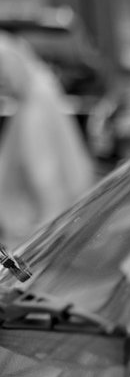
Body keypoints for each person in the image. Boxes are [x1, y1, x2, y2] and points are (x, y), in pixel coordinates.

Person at [0, 31, 96, 248]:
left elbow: (45, 178)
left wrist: (41, 239)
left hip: (34, 236)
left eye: (2, 75)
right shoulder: (40, 93)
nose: (2, 86)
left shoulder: (34, 110)